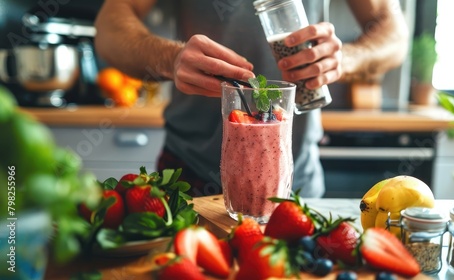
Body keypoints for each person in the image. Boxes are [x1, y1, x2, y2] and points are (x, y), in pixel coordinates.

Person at [94, 0, 408, 198]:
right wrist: (170, 58)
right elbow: (109, 28)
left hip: (295, 178)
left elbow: (394, 33)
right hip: (190, 174)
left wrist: (345, 59)